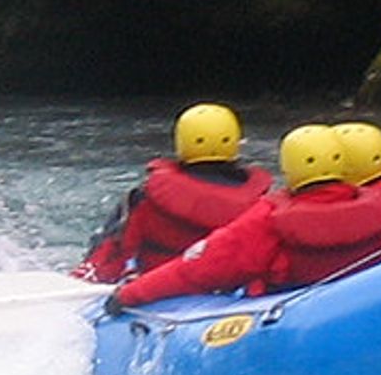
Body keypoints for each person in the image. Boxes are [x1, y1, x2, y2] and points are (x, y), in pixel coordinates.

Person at [113, 121, 381, 305]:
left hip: (284, 315)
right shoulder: (378, 213)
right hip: (357, 308)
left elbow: (199, 269)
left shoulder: (268, 217)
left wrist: (130, 294)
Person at [78, 102, 274, 282]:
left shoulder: (145, 198)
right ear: (234, 142)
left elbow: (111, 254)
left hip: (156, 290)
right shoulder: (261, 204)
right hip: (231, 295)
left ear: (181, 141)